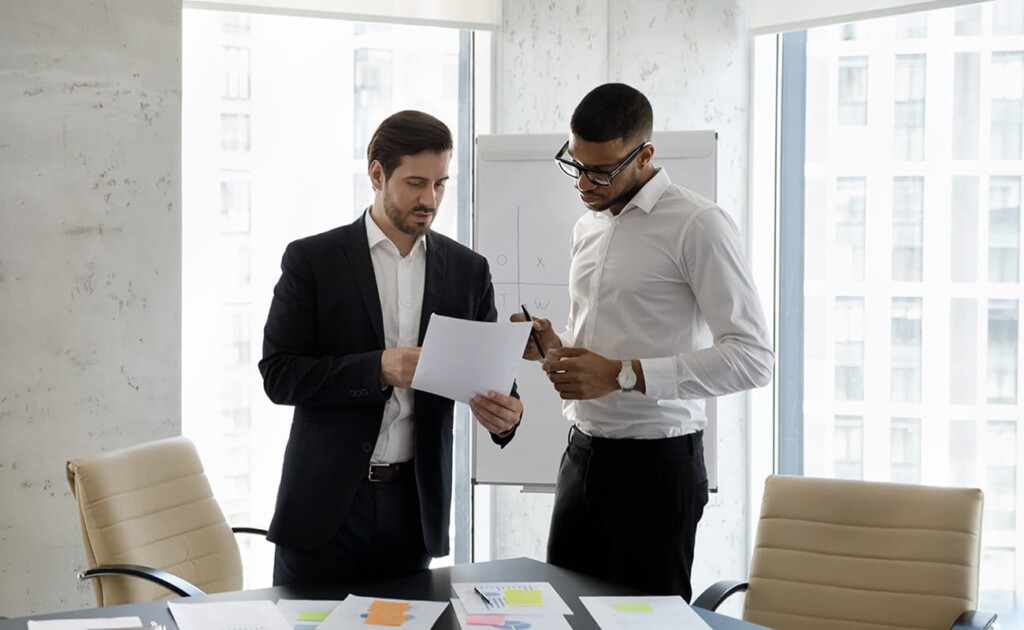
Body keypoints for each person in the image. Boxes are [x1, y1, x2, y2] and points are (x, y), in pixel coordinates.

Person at [516, 83, 773, 601]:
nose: (584, 183)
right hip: (582, 456)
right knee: (564, 616)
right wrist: (554, 345)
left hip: (657, 471)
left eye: (602, 170)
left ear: (645, 154)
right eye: (576, 164)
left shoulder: (699, 224)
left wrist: (622, 374)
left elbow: (753, 359)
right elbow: (606, 344)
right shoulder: (587, 226)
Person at [260, 110, 523, 586]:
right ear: (376, 174)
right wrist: (378, 369)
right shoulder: (313, 260)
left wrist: (507, 415)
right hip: (324, 509)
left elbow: (496, 377)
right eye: (416, 183)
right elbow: (279, 375)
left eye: (441, 184)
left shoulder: (469, 271)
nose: (430, 199)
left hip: (413, 511)